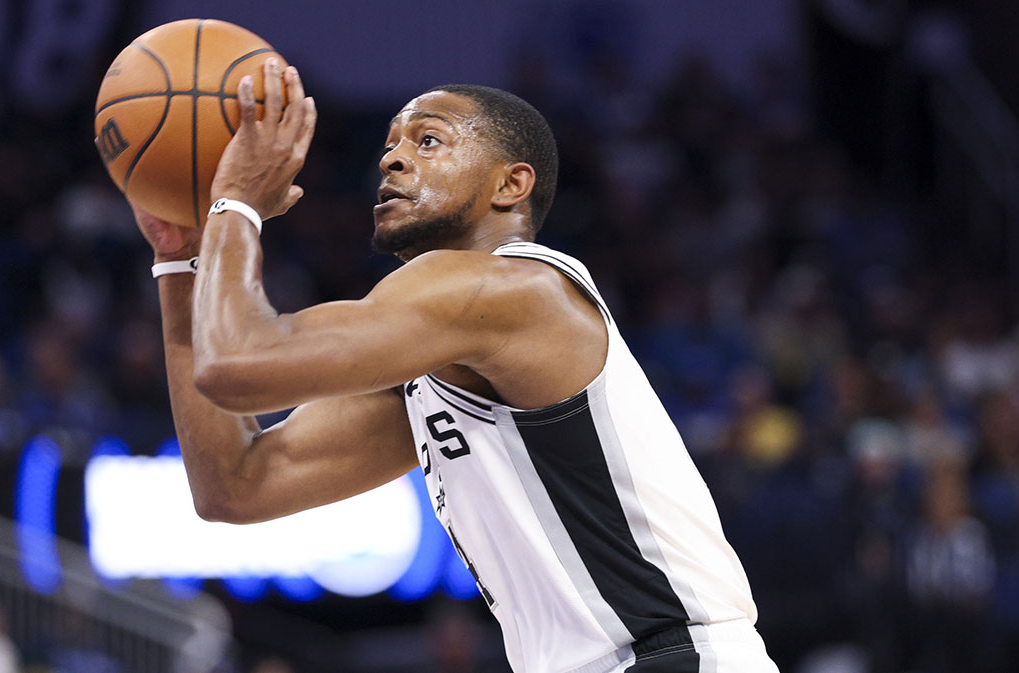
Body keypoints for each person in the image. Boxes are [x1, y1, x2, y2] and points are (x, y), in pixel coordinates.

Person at [129, 58, 778, 673]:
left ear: (511, 184)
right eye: (389, 144)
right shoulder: (439, 359)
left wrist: (235, 203)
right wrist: (181, 259)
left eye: (429, 139)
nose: (392, 156)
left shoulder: (516, 291)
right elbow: (234, 485)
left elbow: (235, 362)